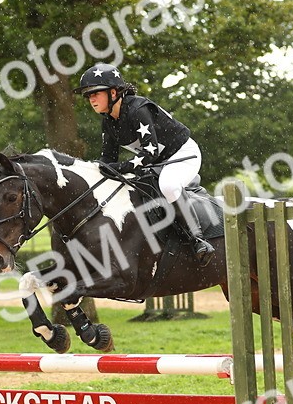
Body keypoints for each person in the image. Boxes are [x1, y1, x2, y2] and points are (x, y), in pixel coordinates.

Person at [72, 63, 215, 266]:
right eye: (88, 95)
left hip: (183, 155)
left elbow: (150, 151)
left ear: (113, 92)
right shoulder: (109, 121)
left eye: (96, 93)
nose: (91, 99)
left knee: (168, 185)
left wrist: (121, 168)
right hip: (157, 163)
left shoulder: (137, 109)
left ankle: (198, 239)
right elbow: (107, 159)